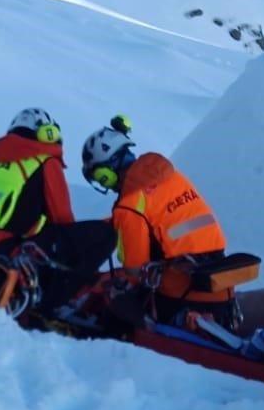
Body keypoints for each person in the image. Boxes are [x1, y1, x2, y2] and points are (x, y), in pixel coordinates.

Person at [0, 109, 116, 310]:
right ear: (48, 133)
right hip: (1, 247)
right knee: (104, 235)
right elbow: (62, 219)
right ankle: (50, 303)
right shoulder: (44, 161)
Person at [81, 114, 236, 326]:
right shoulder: (170, 177)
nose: (105, 184)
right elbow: (160, 217)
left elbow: (134, 270)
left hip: (183, 292)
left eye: (100, 178)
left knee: (115, 299)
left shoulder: (129, 205)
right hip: (219, 282)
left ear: (107, 172)